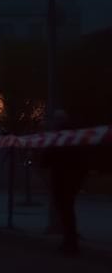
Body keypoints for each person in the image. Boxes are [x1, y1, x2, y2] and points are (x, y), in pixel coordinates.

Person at [40, 110, 89, 256]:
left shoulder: (57, 137)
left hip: (61, 178)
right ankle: (70, 240)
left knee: (65, 210)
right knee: (68, 209)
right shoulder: (75, 136)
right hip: (74, 178)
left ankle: (70, 242)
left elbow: (46, 159)